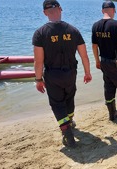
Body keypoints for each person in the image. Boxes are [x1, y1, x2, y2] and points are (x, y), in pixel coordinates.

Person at [32, 0, 92, 148]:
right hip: (70, 73)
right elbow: (84, 55)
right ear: (60, 9)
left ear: (45, 12)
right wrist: (87, 72)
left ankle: (66, 132)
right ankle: (69, 122)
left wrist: (38, 79)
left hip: (52, 74)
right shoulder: (73, 30)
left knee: (57, 104)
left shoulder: (40, 33)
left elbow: (38, 61)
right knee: (69, 98)